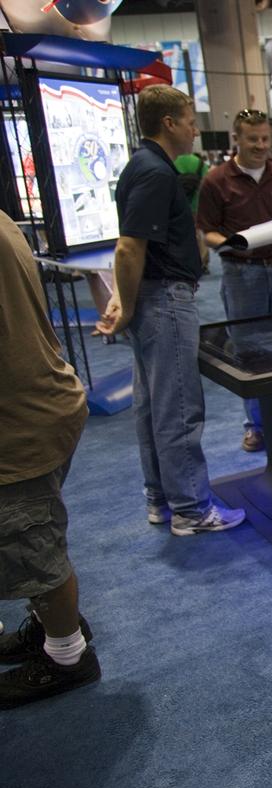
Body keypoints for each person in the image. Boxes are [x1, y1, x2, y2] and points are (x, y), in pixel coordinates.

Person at [97, 85, 245, 535]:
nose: (196, 130)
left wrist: (125, 299)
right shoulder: (154, 172)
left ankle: (163, 498)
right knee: (178, 406)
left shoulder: (144, 166)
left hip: (155, 295)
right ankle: (192, 509)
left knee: (153, 406)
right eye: (190, 120)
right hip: (164, 300)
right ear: (168, 123)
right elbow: (128, 248)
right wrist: (124, 306)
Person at [0, 209, 99, 709]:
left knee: (33, 550)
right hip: (37, 408)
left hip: (18, 426)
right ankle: (48, 630)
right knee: (28, 541)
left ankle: (66, 656)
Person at [198, 108, 272, 453]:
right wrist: (232, 244)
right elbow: (207, 232)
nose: (261, 145)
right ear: (237, 138)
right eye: (253, 139)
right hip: (240, 273)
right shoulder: (216, 180)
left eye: (265, 139)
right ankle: (256, 426)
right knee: (248, 349)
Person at [173, 150, 210, 271]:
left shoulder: (172, 161)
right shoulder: (199, 163)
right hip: (197, 203)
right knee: (200, 232)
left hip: (177, 204)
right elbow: (206, 184)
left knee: (181, 233)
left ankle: (185, 262)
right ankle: (203, 262)